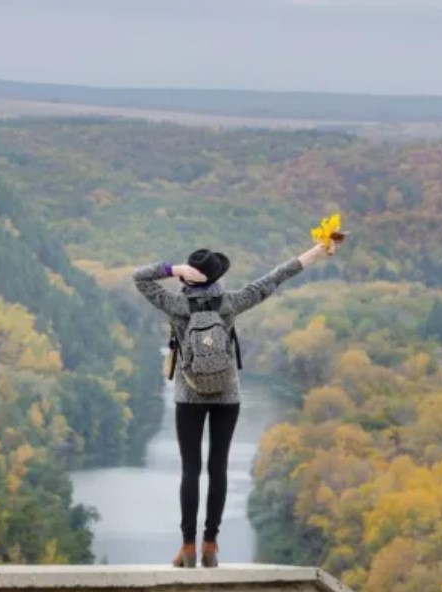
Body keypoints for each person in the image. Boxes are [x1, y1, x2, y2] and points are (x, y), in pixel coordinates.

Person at [131, 240, 340, 568]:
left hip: (189, 394)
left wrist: (172, 270)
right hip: (227, 394)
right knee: (218, 468)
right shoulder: (230, 302)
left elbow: (139, 277)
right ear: (217, 277)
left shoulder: (175, 305)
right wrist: (315, 253)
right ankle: (211, 545)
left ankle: (187, 546)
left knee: (190, 469)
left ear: (188, 277)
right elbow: (273, 278)